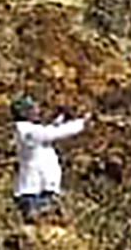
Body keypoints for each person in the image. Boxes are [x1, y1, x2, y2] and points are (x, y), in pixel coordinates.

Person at [11, 94, 87, 223]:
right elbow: (54, 133)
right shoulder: (28, 131)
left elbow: (49, 129)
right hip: (34, 192)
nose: (37, 111)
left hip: (39, 190)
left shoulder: (29, 130)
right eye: (32, 109)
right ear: (24, 112)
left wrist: (62, 117)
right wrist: (82, 123)